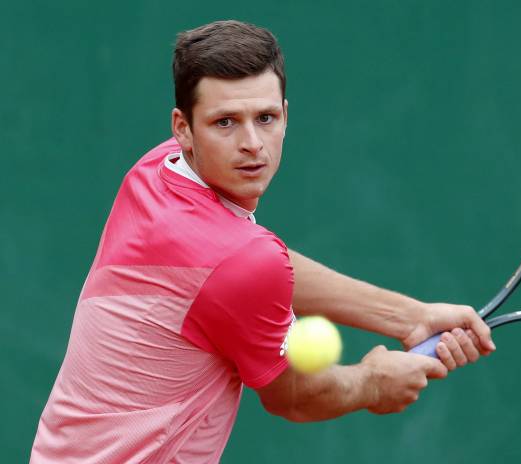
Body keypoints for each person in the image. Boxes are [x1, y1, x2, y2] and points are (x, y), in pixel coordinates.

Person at [30, 20, 495, 463]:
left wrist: (408, 316)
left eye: (266, 117)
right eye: (225, 122)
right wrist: (373, 382)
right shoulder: (240, 262)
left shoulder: (155, 173)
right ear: (182, 128)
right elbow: (293, 396)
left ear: (286, 116)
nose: (253, 143)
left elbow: (249, 266)